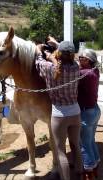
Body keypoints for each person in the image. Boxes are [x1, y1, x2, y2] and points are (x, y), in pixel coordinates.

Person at [35, 39, 83, 180]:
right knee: (75, 146)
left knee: (61, 151)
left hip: (59, 115)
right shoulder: (76, 67)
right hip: (75, 112)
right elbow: (65, 58)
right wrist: (56, 46)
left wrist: (40, 50)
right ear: (72, 54)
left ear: (58, 54)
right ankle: (80, 175)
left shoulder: (50, 69)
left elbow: (38, 62)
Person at [78, 48, 101, 180]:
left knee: (84, 145)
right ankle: (96, 164)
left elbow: (67, 71)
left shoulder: (83, 73)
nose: (79, 59)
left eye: (83, 58)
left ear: (89, 60)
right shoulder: (94, 71)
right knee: (90, 141)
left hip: (86, 112)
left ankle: (88, 171)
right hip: (94, 110)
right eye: (80, 57)